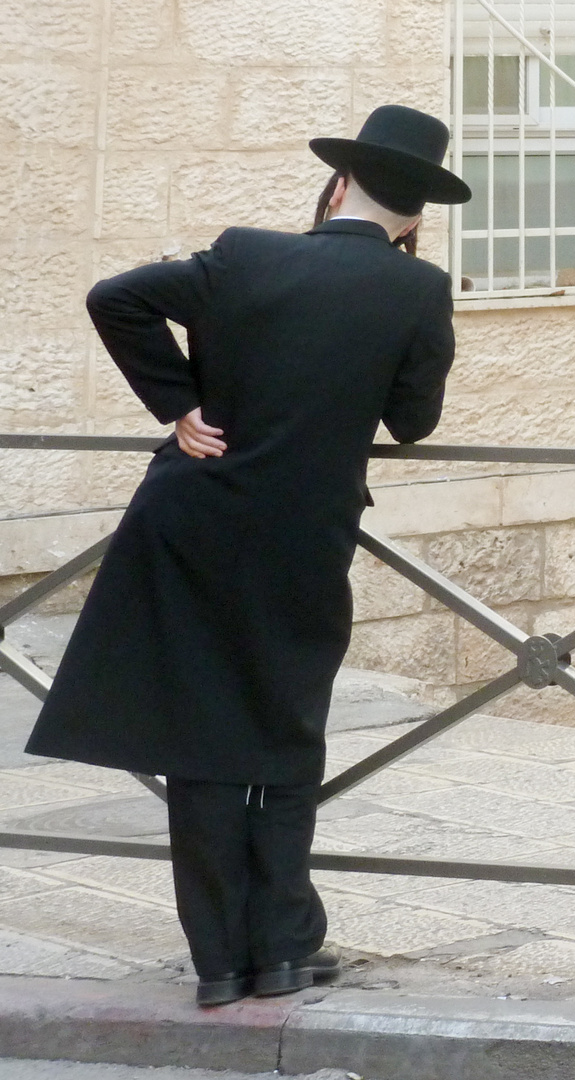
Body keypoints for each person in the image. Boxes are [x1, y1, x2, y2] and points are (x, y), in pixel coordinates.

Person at [26, 105, 472, 1007]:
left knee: (201, 739)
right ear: (417, 217)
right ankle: (282, 948)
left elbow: (115, 297)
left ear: (339, 184)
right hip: (301, 541)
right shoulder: (415, 291)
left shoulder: (246, 253)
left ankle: (221, 963)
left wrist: (178, 404)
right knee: (284, 730)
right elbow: (413, 423)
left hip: (189, 521)